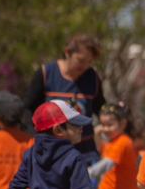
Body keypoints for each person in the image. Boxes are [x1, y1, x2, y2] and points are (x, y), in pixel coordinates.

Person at [23, 34, 106, 165]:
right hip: (51, 153)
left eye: (89, 62)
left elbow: (101, 108)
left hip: (84, 154)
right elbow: (27, 108)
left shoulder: (92, 77)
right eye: (81, 60)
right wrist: (35, 137)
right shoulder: (46, 73)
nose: (85, 66)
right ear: (67, 52)